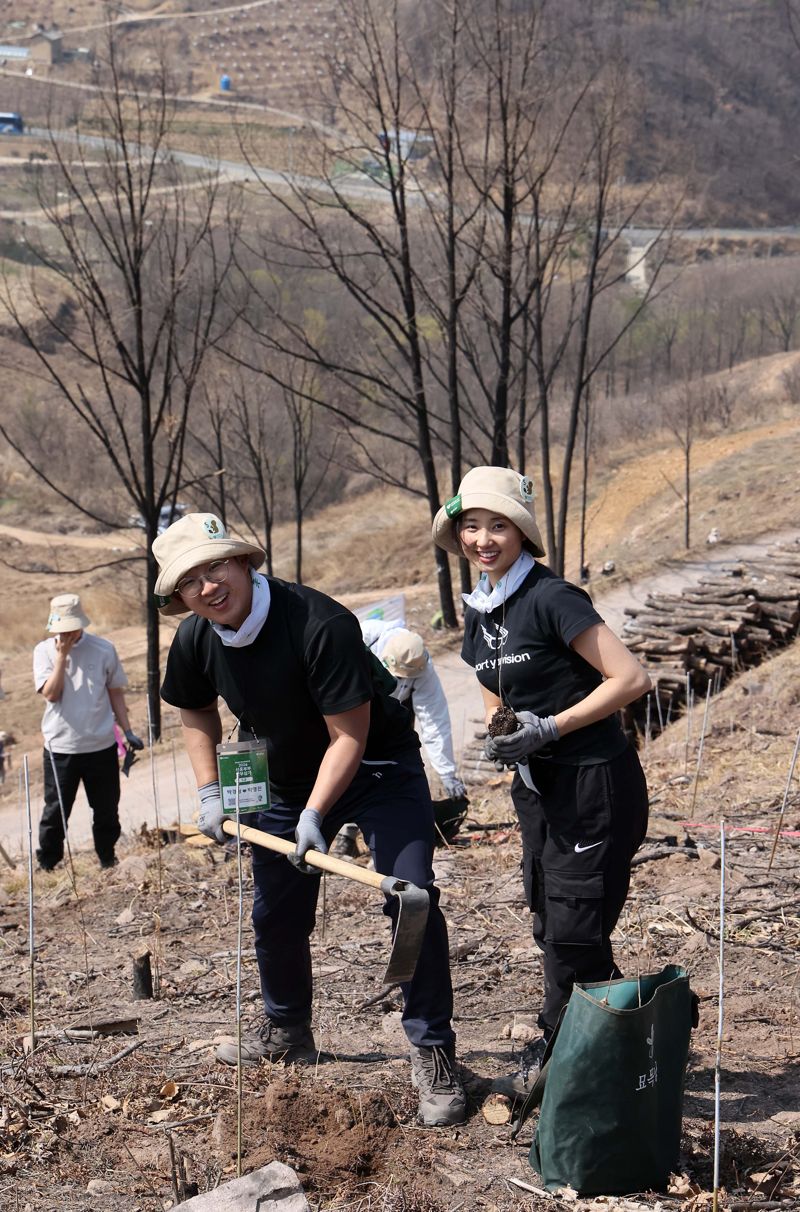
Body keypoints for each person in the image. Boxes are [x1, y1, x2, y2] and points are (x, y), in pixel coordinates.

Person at [153, 513, 465, 1127]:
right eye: (190, 580)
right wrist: (211, 791)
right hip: (283, 779)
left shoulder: (318, 623)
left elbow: (350, 733)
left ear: (244, 563)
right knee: (276, 914)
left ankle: (434, 1054)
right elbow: (195, 714)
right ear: (180, 596)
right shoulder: (196, 639)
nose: (208, 586)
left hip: (375, 766)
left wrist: (317, 814)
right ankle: (288, 1029)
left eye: (216, 566)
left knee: (413, 899)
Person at [432, 467, 651, 1097]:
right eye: (470, 526)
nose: (481, 538)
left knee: (576, 927)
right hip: (536, 789)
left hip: (591, 783)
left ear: (521, 533)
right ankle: (586, 1039)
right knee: (550, 921)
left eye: (496, 525)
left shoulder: (552, 598)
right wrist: (502, 730)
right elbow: (487, 677)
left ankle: (591, 1051)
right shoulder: (484, 605)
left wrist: (551, 727)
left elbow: (630, 679)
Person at [333, 620, 466, 858]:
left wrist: (447, 774)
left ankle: (389, 833)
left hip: (393, 714)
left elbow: (435, 720)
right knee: (350, 766)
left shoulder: (422, 664)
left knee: (390, 771)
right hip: (353, 704)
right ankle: (345, 835)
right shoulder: (362, 637)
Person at [33, 593, 144, 871]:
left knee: (106, 809)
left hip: (102, 744)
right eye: (61, 628)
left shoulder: (104, 648)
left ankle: (107, 857)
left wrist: (127, 731)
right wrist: (61, 658)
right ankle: (48, 862)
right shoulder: (43, 651)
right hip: (61, 747)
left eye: (71, 626)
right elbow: (51, 695)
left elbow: (115, 692)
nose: (67, 632)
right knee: (56, 810)